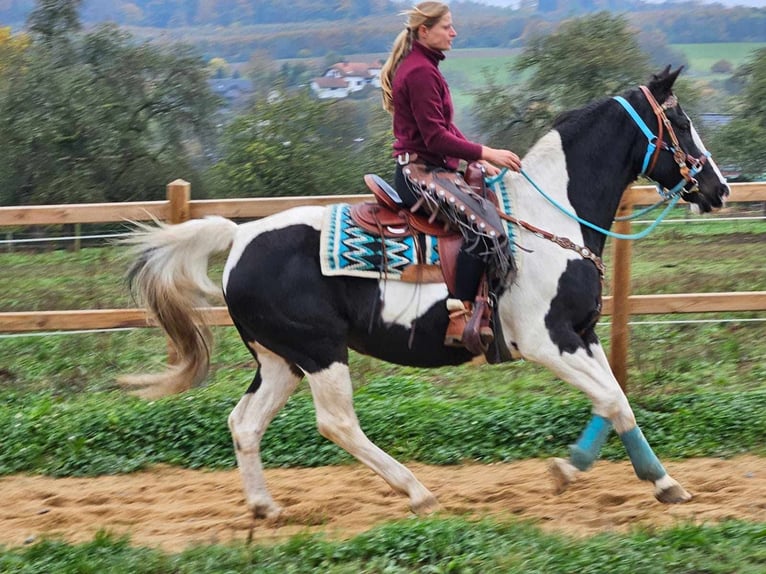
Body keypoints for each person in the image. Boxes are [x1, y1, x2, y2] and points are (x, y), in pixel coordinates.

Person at [379, 1, 522, 352]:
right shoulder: (420, 72)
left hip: (433, 168)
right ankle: (460, 315)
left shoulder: (425, 67)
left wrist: (476, 160)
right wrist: (485, 152)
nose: (453, 32)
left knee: (486, 217)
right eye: (447, 26)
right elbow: (435, 138)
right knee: (486, 227)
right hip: (418, 174)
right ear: (424, 31)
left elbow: (446, 129)